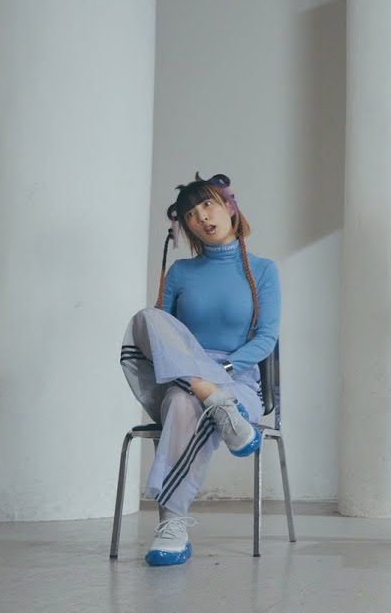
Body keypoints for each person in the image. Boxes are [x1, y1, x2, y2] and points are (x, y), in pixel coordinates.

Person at [120, 173, 280, 566]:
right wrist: (200, 382)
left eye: (207, 204)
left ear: (229, 206)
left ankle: (171, 524)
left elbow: (266, 338)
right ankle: (213, 400)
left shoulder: (263, 270)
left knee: (183, 404)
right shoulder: (179, 273)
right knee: (146, 320)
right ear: (185, 226)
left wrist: (218, 371)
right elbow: (159, 339)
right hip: (185, 380)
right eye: (191, 214)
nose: (202, 217)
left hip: (237, 383)